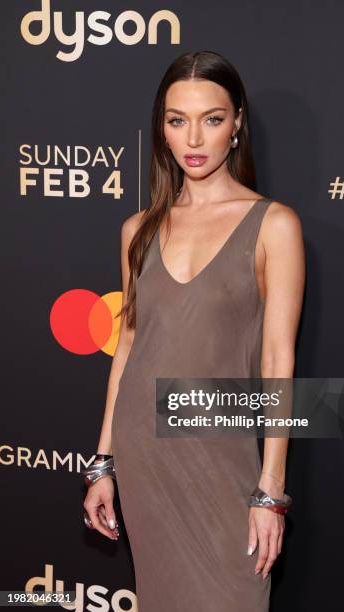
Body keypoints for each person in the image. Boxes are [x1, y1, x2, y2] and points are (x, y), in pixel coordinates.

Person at [82, 50, 305, 611]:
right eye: (177, 120)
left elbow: (279, 359)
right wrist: (103, 461)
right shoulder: (138, 229)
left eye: (212, 118)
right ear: (162, 129)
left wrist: (271, 489)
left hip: (222, 454)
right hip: (144, 455)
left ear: (237, 126)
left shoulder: (273, 225)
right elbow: (128, 346)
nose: (194, 138)